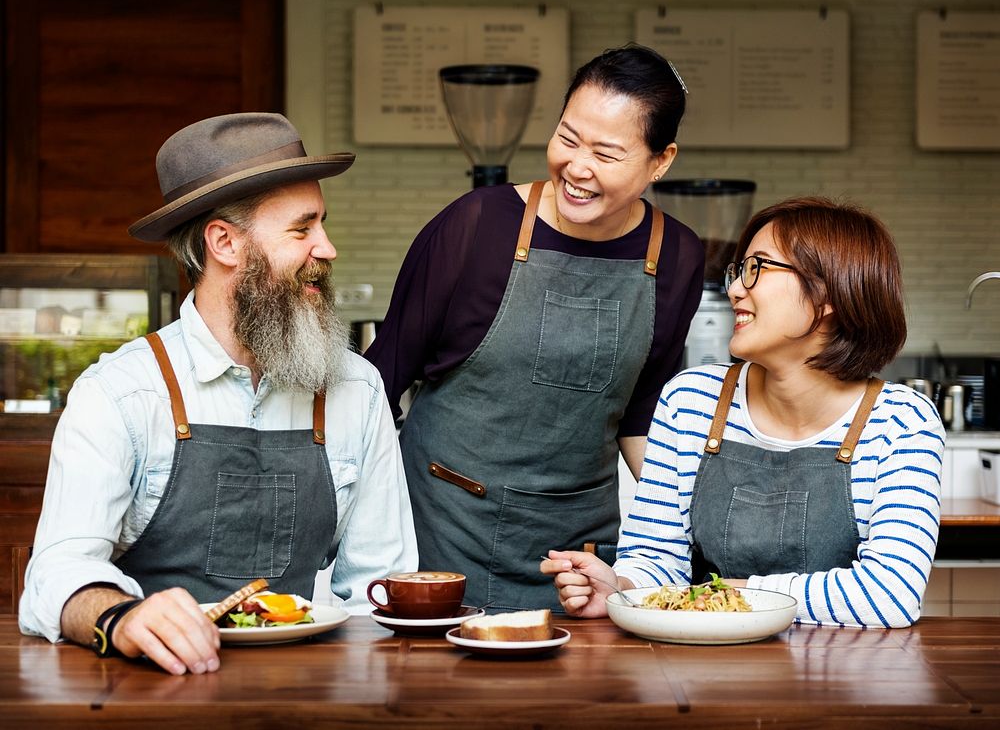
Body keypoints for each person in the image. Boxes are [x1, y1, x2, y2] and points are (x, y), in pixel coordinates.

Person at [19, 113, 418, 673]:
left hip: (307, 691)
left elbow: (381, 584)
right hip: (152, 689)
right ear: (224, 242)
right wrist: (120, 618)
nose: (327, 249)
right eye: (302, 229)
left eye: (323, 225)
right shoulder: (123, 393)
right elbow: (56, 574)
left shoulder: (357, 388)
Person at [364, 45, 705, 612]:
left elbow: (643, 409)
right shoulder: (476, 227)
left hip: (577, 556)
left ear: (661, 160)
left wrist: (677, 543)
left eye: (607, 153)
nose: (577, 168)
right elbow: (379, 378)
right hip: (441, 531)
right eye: (568, 139)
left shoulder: (675, 255)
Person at [542, 196, 946, 628]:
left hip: (847, 683)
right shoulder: (691, 402)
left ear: (830, 291)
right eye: (740, 270)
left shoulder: (901, 423)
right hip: (708, 671)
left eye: (758, 268)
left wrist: (728, 594)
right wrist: (623, 588)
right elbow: (658, 560)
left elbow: (890, 596)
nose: (735, 288)